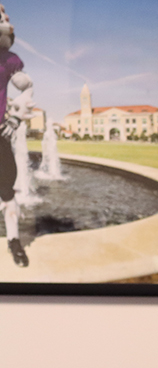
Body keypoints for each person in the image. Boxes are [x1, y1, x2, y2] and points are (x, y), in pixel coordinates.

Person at [0, 3, 30, 267]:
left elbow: (27, 87)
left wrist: (16, 116)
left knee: (7, 190)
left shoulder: (9, 60)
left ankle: (13, 240)